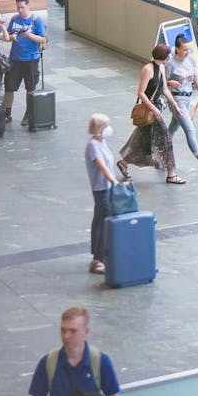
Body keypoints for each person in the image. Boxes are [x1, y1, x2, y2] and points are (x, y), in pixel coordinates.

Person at [28, 306, 121, 396]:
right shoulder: (47, 363)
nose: (66, 336)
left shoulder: (101, 362)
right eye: (63, 330)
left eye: (73, 331)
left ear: (86, 332)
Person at [117, 45, 184, 185]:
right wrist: (154, 109)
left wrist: (175, 105)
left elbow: (164, 89)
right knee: (166, 141)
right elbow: (141, 92)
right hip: (151, 111)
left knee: (142, 140)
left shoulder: (161, 68)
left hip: (156, 109)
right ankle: (171, 174)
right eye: (168, 55)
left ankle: (123, 162)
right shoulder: (147, 69)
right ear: (164, 57)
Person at [164, 36, 198, 173]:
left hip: (187, 98)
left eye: (189, 49)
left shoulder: (191, 60)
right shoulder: (171, 64)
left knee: (173, 128)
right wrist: (170, 83)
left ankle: (158, 150)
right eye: (185, 49)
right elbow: (162, 82)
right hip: (176, 100)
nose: (188, 52)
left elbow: (195, 76)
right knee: (190, 129)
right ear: (177, 49)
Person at [0, 0, 48, 129]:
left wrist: (29, 35)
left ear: (28, 5)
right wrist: (10, 36)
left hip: (31, 59)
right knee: (9, 87)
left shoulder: (36, 20)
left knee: (30, 88)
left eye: (22, 7)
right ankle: (7, 112)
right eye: (18, 7)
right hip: (15, 58)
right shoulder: (15, 19)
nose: (20, 10)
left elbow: (43, 39)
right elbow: (8, 36)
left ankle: (29, 113)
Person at [85, 114, 120, 276]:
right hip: (101, 188)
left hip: (107, 186)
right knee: (103, 220)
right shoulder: (92, 145)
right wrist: (114, 181)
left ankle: (99, 254)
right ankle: (97, 259)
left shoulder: (102, 142)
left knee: (100, 219)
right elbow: (101, 167)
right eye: (107, 126)